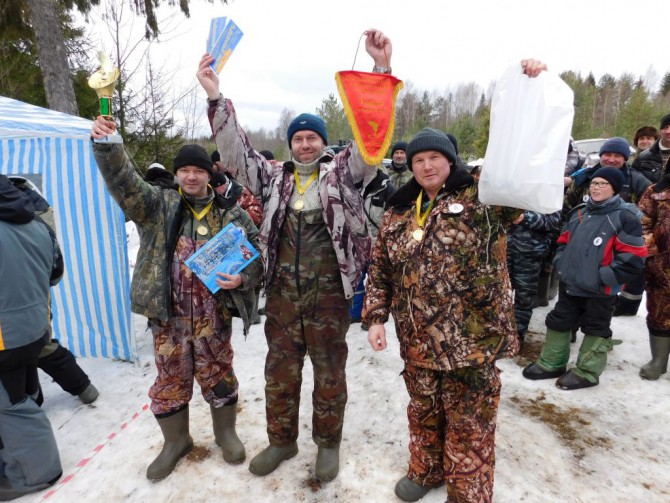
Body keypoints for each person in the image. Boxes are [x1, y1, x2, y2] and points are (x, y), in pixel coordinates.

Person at [196, 28, 391, 481]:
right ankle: (282, 441)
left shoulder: (344, 175)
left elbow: (369, 143)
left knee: (329, 374)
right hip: (282, 296)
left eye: (312, 138)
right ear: (290, 144)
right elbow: (236, 153)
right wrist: (216, 98)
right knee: (279, 374)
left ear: (323, 143)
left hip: (329, 297)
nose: (305, 144)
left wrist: (380, 72)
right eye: (299, 138)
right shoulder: (273, 178)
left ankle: (328, 445)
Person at [362, 58, 546, 503]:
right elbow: (381, 269)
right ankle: (426, 470)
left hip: (472, 342)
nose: (427, 166)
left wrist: (529, 90)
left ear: (451, 161)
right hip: (419, 341)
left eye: (436, 158)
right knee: (423, 412)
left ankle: (468, 491)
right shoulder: (398, 212)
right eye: (420, 158)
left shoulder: (484, 198)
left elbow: (521, 173)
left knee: (469, 422)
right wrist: (375, 316)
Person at [90, 121, 263, 480]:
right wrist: (108, 145)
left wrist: (243, 278)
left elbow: (258, 257)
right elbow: (125, 183)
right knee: (170, 379)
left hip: (213, 318)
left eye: (198, 170)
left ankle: (225, 432)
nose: (191, 176)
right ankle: (176, 442)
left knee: (218, 373)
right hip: (168, 318)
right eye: (184, 169)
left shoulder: (230, 214)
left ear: (209, 174)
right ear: (176, 173)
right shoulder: (158, 205)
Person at [523, 167, 647, 390]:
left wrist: (604, 277)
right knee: (559, 320)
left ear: (615, 189)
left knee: (595, 327)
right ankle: (552, 363)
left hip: (601, 289)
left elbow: (634, 257)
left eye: (603, 184)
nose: (596, 187)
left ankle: (587, 372)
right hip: (571, 284)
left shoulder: (624, 217)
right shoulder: (579, 213)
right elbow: (562, 242)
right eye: (594, 183)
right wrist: (562, 264)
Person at [7, 176, 99, 406]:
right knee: (38, 345)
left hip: (16, 303)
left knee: (32, 349)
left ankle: (35, 406)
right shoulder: (36, 212)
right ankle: (81, 388)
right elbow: (56, 270)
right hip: (37, 296)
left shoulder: (20, 219)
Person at [0, 174, 64, 500]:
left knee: (10, 404)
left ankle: (37, 473)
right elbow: (56, 273)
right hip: (35, 328)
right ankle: (16, 458)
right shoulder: (37, 225)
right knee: (22, 391)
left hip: (4, 336)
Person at [564, 137, 651, 317]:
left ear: (625, 158)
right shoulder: (584, 177)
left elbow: (649, 215)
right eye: (607, 155)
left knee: (599, 310)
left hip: (613, 253)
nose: (611, 159)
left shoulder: (637, 181)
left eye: (617, 155)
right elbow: (567, 210)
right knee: (568, 307)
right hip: (579, 251)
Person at [349, 168, 396, 328]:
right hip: (355, 246)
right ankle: (355, 314)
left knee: (375, 282)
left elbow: (394, 219)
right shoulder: (350, 186)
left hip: (377, 247)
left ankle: (371, 317)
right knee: (355, 281)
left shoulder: (387, 189)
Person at [507, 209, 561, 346]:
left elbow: (553, 222)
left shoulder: (546, 190)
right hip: (501, 251)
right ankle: (497, 336)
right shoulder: (507, 188)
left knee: (524, 299)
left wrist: (526, 217)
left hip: (530, 254)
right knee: (498, 296)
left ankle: (516, 339)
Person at [637, 159, 670, 380]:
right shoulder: (655, 192)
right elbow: (642, 222)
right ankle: (658, 361)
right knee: (659, 313)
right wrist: (653, 253)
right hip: (662, 266)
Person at [632, 114, 670, 184]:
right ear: (660, 130)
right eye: (665, 127)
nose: (668, 131)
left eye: (649, 138)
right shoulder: (642, 157)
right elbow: (632, 182)